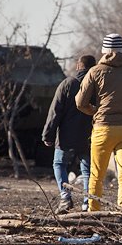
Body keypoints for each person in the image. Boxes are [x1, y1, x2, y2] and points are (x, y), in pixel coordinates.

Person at [75, 33, 122, 211]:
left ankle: (94, 212)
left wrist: (95, 111)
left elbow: (80, 102)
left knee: (96, 175)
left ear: (104, 50)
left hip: (103, 129)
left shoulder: (95, 71)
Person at [42, 55, 96, 213]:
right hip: (89, 136)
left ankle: (65, 198)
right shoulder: (97, 86)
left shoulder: (67, 84)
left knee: (59, 164)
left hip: (66, 136)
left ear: (79, 66)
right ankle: (88, 203)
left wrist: (48, 135)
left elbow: (55, 112)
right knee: (87, 170)